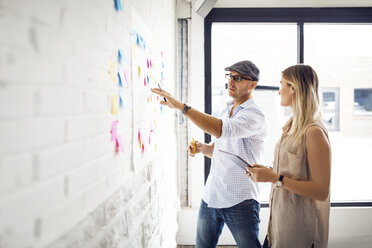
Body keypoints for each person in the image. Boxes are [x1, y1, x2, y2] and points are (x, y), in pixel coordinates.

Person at [151, 60, 266, 248]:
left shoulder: (255, 115)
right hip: (211, 195)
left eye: (237, 78)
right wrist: (204, 148)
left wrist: (182, 107)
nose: (231, 81)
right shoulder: (226, 108)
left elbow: (221, 130)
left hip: (240, 200)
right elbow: (222, 150)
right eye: (230, 76)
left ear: (252, 84)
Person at [246, 64, 331, 248]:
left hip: (300, 233)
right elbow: (293, 172)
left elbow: (321, 191)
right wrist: (269, 173)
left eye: (281, 84)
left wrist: (275, 178)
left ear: (293, 88)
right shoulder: (291, 126)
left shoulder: (314, 132)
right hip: (279, 226)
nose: (278, 92)